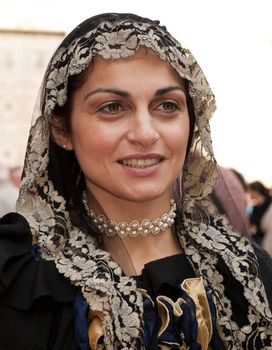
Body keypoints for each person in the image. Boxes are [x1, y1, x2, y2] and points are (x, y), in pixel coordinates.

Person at [0, 13, 271, 350]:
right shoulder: (20, 276)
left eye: (167, 105)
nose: (145, 133)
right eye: (113, 107)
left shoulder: (244, 270)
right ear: (62, 129)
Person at [247, 181, 272, 247]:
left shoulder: (270, 204)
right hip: (257, 236)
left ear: (256, 191)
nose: (249, 194)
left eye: (250, 191)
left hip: (264, 238)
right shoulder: (255, 206)